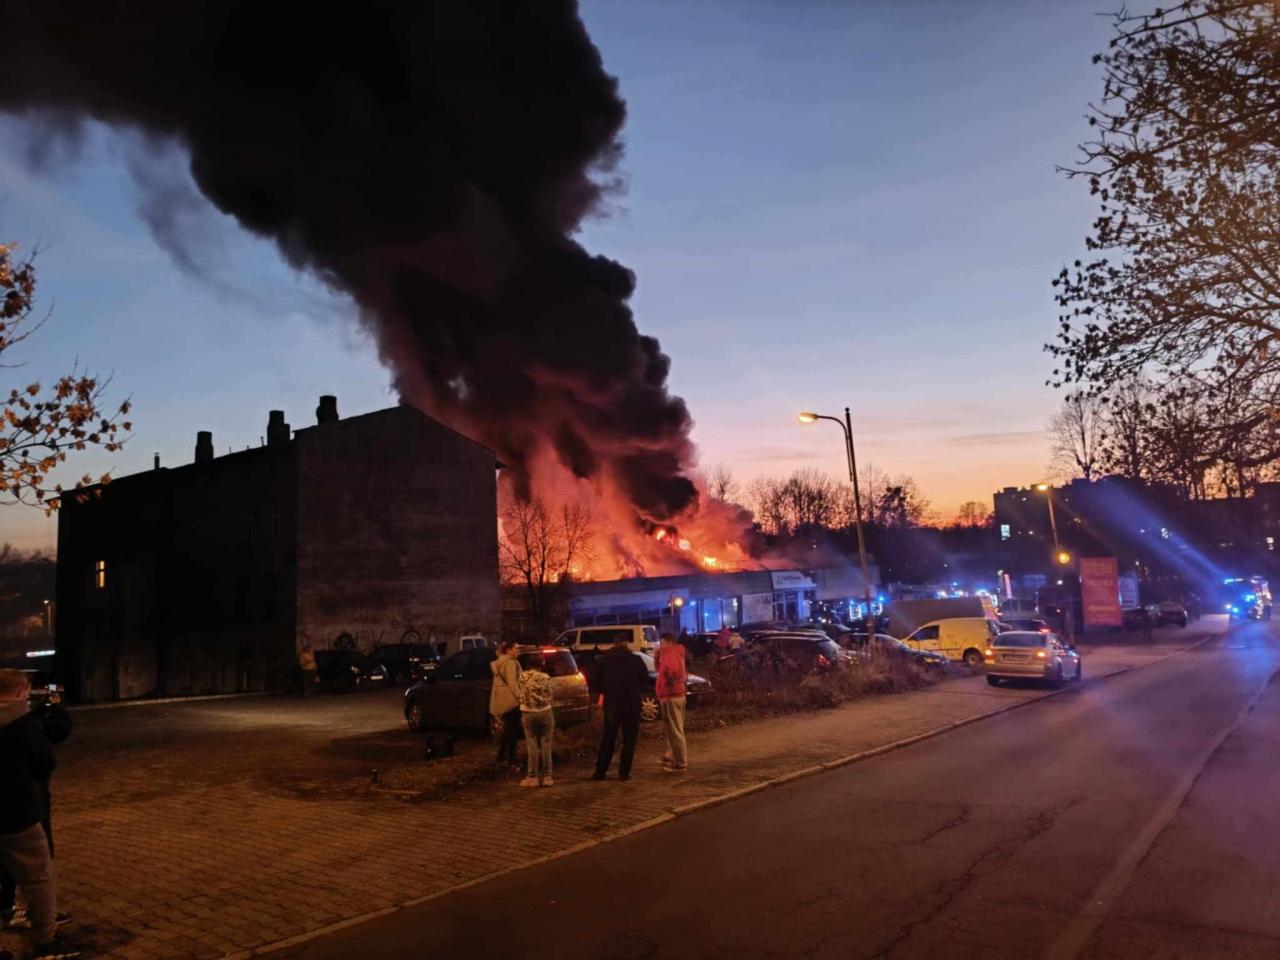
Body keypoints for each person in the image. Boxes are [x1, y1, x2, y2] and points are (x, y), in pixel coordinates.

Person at [0, 669, 78, 959]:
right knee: (37, 877)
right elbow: (45, 761)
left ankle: (8, 911)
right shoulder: (22, 723)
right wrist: (55, 708)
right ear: (21, 691)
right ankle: (46, 942)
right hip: (18, 812)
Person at [592, 636, 649, 781]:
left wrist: (605, 691)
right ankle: (624, 772)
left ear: (613, 644)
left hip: (612, 704)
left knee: (608, 737)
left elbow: (595, 682)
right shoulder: (635, 660)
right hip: (631, 703)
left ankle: (600, 771)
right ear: (625, 643)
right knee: (629, 739)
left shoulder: (604, 661)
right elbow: (645, 680)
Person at [653, 632, 688, 772]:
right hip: (674, 695)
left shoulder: (670, 654)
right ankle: (670, 756)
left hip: (671, 696)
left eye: (662, 643)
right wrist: (657, 657)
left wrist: (669, 683)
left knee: (675, 731)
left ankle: (680, 763)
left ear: (669, 642)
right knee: (673, 730)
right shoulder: (675, 653)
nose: (660, 645)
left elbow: (672, 671)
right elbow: (660, 670)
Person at [517, 660, 555, 787]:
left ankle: (532, 777)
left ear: (528, 667)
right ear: (540, 666)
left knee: (532, 744)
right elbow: (551, 695)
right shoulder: (546, 677)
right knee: (546, 744)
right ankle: (547, 777)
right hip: (545, 712)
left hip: (528, 712)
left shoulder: (522, 677)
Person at [489, 641, 523, 767]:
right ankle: (511, 757)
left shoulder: (498, 662)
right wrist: (520, 697)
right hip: (511, 701)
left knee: (508, 728)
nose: (518, 650)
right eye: (516, 648)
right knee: (512, 729)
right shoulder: (510, 663)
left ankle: (501, 755)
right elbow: (512, 683)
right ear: (508, 650)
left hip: (501, 700)